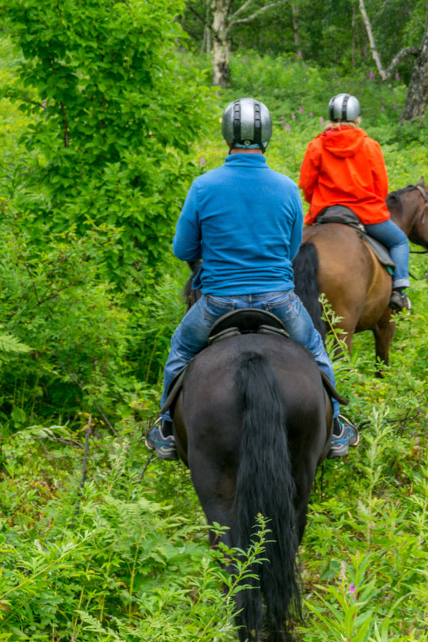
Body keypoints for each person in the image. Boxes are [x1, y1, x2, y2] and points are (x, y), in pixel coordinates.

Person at [147, 97, 356, 460]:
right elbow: (292, 250)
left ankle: (166, 428)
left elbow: (183, 249)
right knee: (317, 352)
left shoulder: (203, 186)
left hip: (217, 302)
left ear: (227, 134)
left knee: (179, 350)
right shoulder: (287, 188)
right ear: (268, 137)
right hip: (278, 300)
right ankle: (336, 426)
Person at [299, 93, 411, 312]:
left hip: (327, 212)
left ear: (330, 118)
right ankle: (398, 292)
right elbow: (381, 186)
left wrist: (317, 203)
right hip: (365, 213)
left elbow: (306, 183)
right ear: (357, 118)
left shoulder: (316, 146)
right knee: (399, 241)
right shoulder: (370, 146)